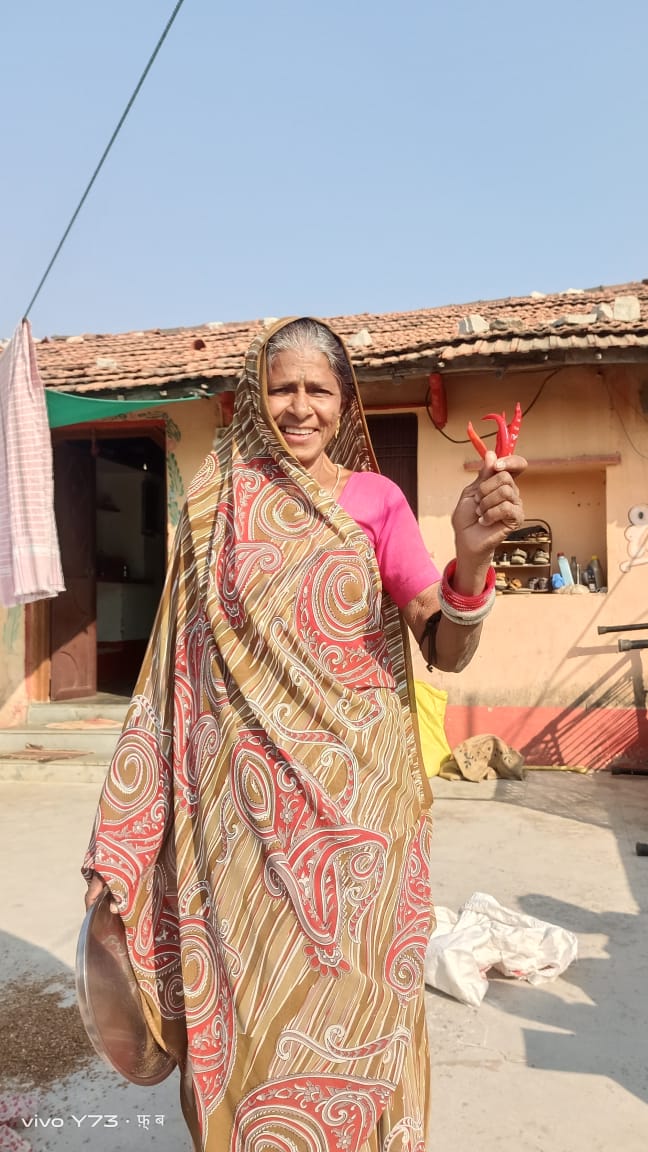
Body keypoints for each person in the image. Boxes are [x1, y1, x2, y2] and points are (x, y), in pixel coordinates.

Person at [83, 317, 526, 1151]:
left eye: (317, 390)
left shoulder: (376, 501)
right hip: (238, 820)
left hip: (359, 821)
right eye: (281, 387)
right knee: (245, 998)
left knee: (354, 995)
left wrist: (469, 561)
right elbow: (173, 678)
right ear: (257, 396)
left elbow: (445, 645)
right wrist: (133, 832)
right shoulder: (215, 503)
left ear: (343, 402)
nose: (298, 408)